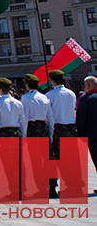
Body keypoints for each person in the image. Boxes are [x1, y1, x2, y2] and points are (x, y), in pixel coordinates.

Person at [46, 69, 78, 199]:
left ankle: (52, 187)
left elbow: (49, 116)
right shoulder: (71, 93)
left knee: (54, 160)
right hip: (70, 129)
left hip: (57, 128)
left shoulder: (49, 95)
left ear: (52, 80)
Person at [75, 75, 97, 195]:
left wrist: (81, 135)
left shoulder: (86, 100)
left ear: (87, 86)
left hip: (93, 135)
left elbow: (81, 120)